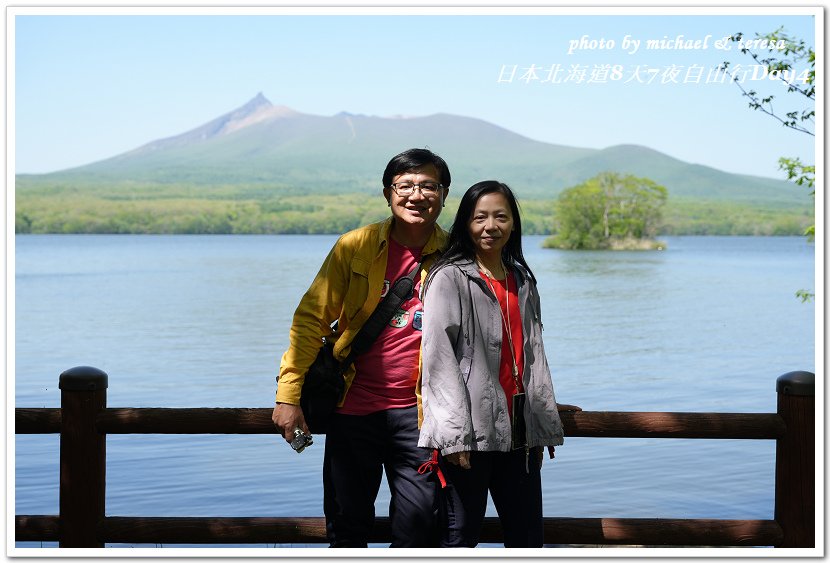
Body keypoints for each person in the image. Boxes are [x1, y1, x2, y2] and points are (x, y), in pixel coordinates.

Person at [272, 148, 451, 548]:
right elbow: (309, 321)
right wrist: (288, 397)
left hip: (422, 415)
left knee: (421, 529)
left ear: (444, 194)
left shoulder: (456, 254)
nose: (416, 195)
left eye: (428, 186)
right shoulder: (356, 246)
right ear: (387, 193)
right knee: (347, 527)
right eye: (405, 186)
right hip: (352, 410)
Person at [417, 180, 581, 548]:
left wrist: (544, 413)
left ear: (513, 224)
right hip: (469, 437)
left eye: (500, 217)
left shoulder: (521, 278)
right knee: (460, 539)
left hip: (521, 434)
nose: (490, 226)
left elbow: (534, 355)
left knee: (526, 539)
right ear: (466, 224)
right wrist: (453, 437)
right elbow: (438, 360)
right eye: (480, 217)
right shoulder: (449, 278)